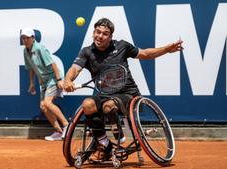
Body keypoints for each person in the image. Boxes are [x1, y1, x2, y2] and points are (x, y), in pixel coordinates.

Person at [64, 18, 183, 161]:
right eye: (98, 32)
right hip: (104, 94)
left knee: (109, 106)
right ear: (93, 33)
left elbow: (145, 53)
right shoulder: (87, 52)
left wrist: (166, 49)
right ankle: (105, 144)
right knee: (87, 105)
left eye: (105, 34)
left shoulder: (122, 46)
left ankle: (119, 138)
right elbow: (74, 69)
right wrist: (68, 80)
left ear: (110, 36)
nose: (100, 36)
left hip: (128, 94)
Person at [21, 28, 69, 141]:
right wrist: (32, 83)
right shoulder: (25, 51)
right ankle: (58, 131)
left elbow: (53, 64)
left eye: (27, 38)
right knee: (43, 106)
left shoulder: (40, 48)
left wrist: (59, 80)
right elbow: (31, 68)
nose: (25, 40)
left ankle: (67, 125)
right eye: (23, 38)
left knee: (47, 103)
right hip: (43, 81)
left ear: (33, 38)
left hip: (52, 78)